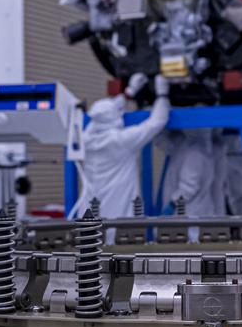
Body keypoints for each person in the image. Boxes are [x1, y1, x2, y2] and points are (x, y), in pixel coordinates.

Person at [70, 73, 170, 219]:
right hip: (118, 216)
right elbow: (158, 121)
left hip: (90, 214)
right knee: (114, 239)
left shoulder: (86, 140)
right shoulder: (121, 140)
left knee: (92, 240)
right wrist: (162, 94)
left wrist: (129, 92)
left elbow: (99, 116)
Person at [164, 128, 225, 216]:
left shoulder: (194, 154)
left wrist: (171, 205)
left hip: (190, 214)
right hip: (197, 212)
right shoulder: (201, 151)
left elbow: (188, 189)